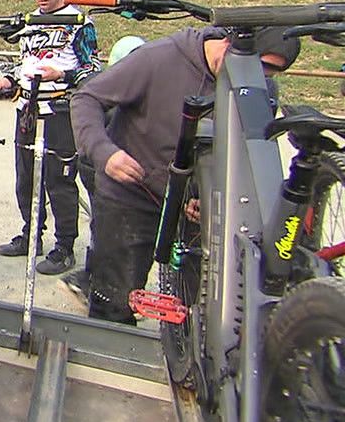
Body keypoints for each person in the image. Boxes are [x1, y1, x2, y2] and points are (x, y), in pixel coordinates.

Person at [72, 26, 301, 324]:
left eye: (270, 72)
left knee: (203, 311)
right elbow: (86, 98)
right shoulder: (159, 58)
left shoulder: (259, 89)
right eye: (255, 65)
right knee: (115, 301)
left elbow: (247, 153)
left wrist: (208, 195)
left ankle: (184, 345)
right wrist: (104, 152)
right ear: (228, 43)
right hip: (132, 193)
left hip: (194, 203)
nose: (258, 76)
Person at [0, 0, 100, 276]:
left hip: (60, 111)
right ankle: (31, 235)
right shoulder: (28, 21)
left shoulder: (80, 23)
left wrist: (62, 74)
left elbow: (93, 68)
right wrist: (9, 78)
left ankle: (64, 247)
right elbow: (26, 60)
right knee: (25, 179)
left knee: (59, 180)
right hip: (27, 110)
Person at [60, 35, 146, 302]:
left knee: (109, 226)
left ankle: (101, 283)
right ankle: (97, 282)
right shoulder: (117, 92)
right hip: (104, 169)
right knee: (107, 225)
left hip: (111, 170)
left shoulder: (112, 87)